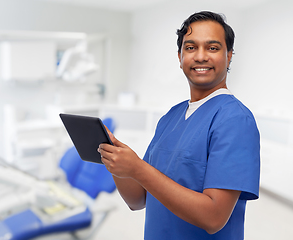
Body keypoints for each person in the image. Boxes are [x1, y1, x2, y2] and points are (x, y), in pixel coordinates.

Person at [98, 11, 260, 240]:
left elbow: (213, 218)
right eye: (190, 47)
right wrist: (115, 160)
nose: (200, 56)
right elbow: (137, 200)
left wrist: (138, 168)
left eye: (212, 48)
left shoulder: (234, 120)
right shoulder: (171, 117)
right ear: (180, 56)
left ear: (229, 56)